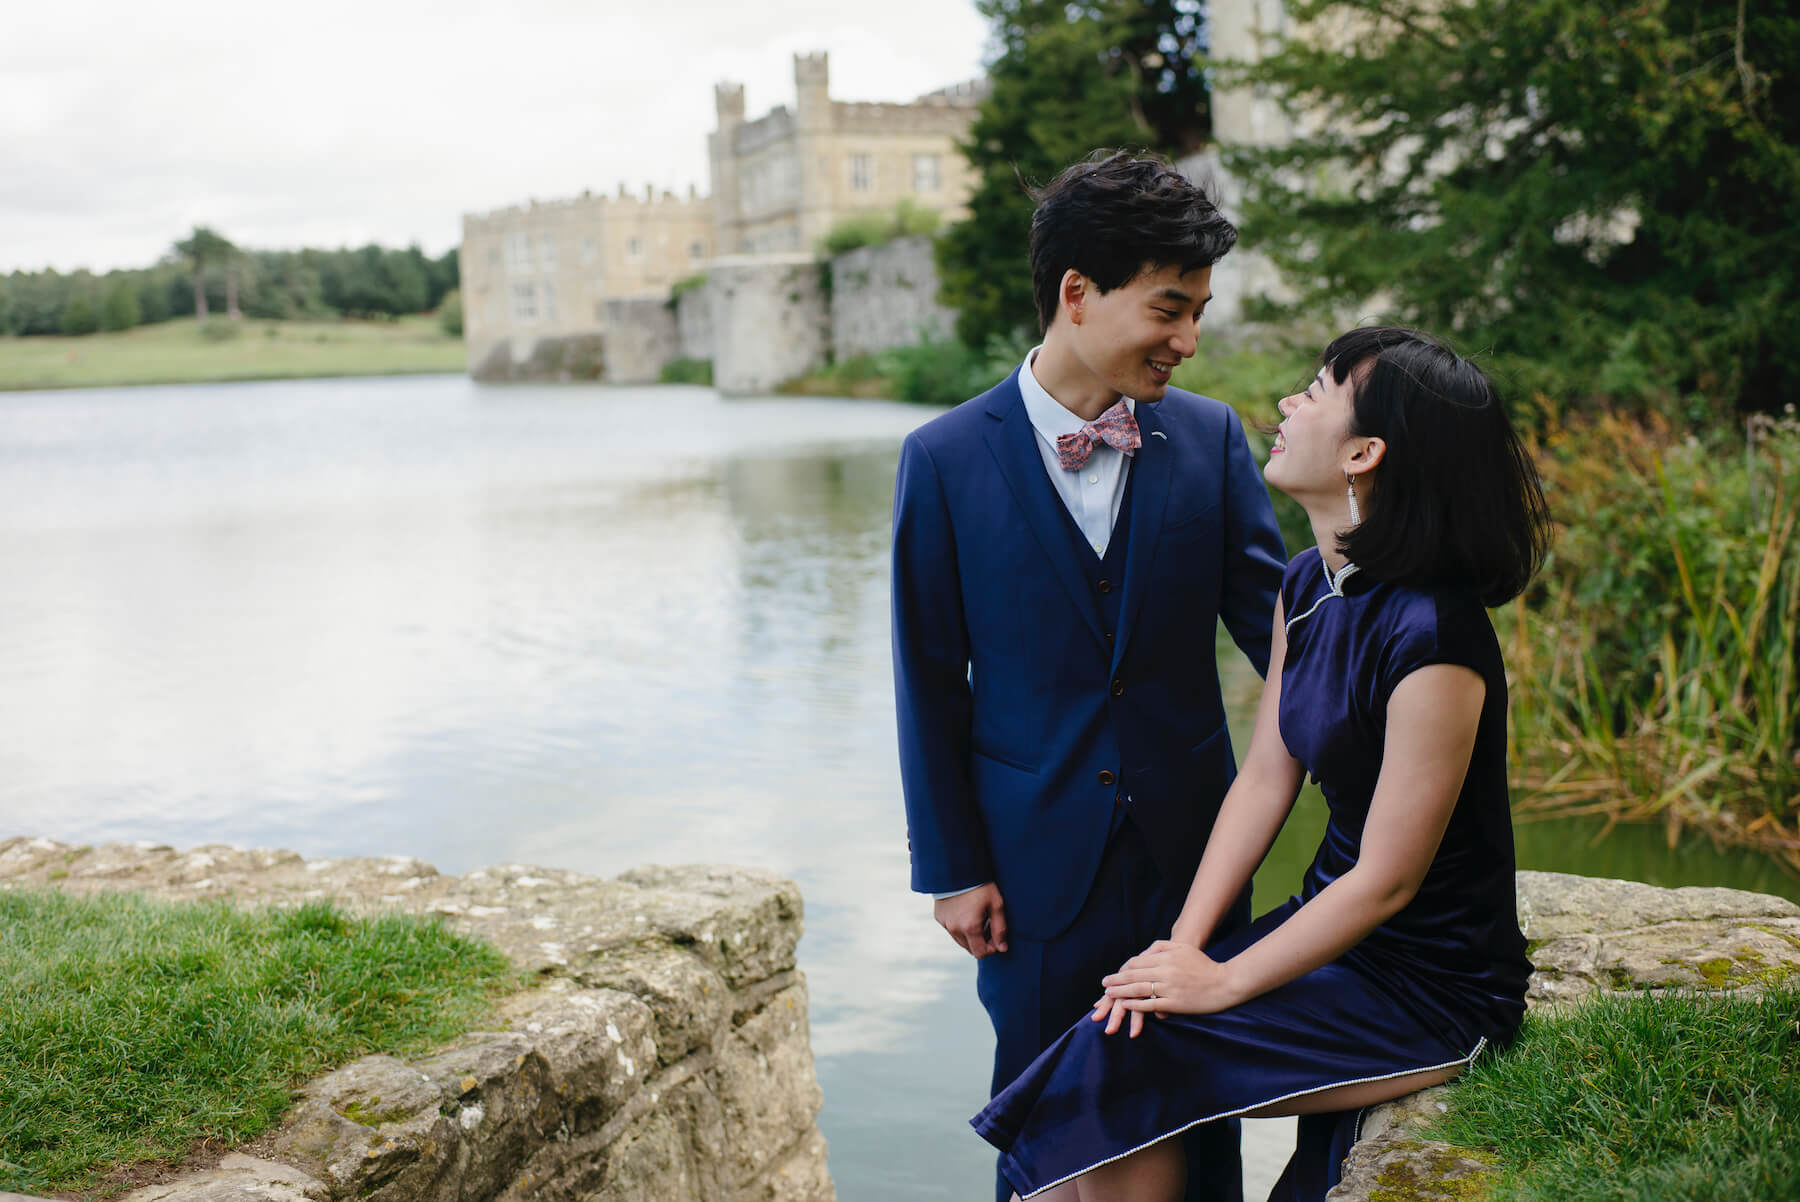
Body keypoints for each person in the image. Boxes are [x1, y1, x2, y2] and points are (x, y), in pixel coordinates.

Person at [970, 326, 1554, 1201]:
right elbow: (1264, 781)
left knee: (1130, 1058)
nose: (1287, 403)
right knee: (1120, 1027)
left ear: (1363, 452)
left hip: (1433, 986)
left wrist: (1226, 980)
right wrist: (1183, 947)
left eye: (1315, 391)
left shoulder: (1436, 637)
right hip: (1332, 936)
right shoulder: (1305, 587)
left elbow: (1390, 881)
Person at [890, 149, 1287, 1202]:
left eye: (1199, 311)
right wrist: (952, 866)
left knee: (1195, 1126)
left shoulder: (1209, 439)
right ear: (1077, 293)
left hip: (1192, 868)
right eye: (1170, 308)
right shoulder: (942, 458)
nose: (1188, 341)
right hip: (1028, 880)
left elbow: (1283, 637)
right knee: (1049, 1131)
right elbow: (928, 676)